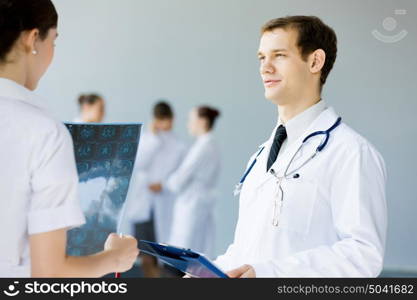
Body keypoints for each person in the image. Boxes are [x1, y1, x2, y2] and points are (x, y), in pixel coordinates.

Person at [214, 16, 387, 278]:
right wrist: (205, 273)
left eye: (279, 55)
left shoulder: (351, 153)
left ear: (315, 61)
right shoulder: (260, 157)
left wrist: (267, 274)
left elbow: (363, 255)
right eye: (262, 58)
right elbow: (245, 249)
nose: (265, 68)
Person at [0, 0, 138, 277]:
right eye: (54, 40)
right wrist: (115, 258)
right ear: (32, 39)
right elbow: (49, 273)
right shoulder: (43, 133)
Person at [121, 101, 185, 277]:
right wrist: (154, 139)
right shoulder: (147, 140)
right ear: (155, 120)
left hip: (164, 202)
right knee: (144, 253)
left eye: (167, 120)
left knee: (164, 251)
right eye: (161, 120)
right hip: (144, 205)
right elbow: (138, 164)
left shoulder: (178, 145)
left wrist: (163, 184)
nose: (166, 124)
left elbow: (180, 174)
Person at [149, 106, 221, 259]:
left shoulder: (204, 146)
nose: (188, 124)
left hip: (192, 205)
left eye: (190, 120)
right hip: (197, 204)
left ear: (202, 121)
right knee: (193, 251)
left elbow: (181, 176)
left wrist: (163, 184)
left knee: (184, 255)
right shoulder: (208, 144)